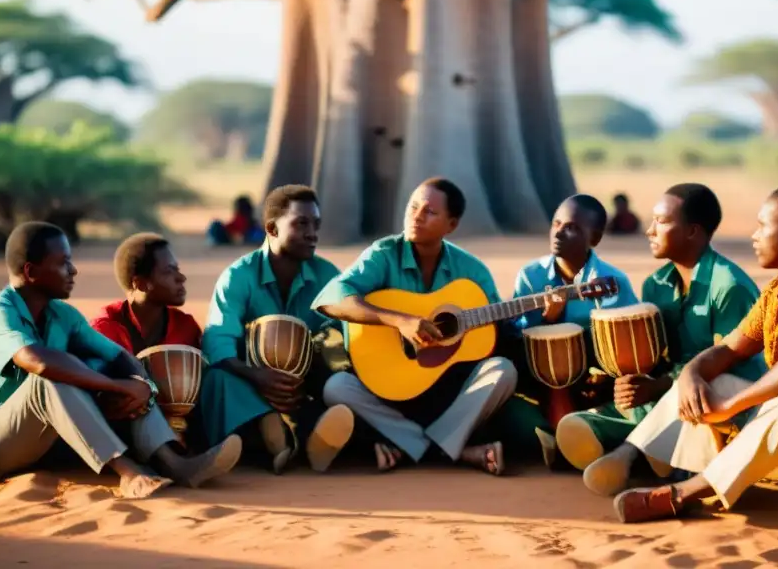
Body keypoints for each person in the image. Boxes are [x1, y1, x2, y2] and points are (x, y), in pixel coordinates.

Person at [599, 185, 778, 523]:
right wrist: (692, 374)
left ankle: (685, 493)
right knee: (715, 380)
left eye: (762, 226)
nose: (753, 236)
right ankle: (638, 454)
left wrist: (731, 406)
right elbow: (727, 348)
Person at [0, 222, 242, 500]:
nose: (73, 270)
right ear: (31, 271)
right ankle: (127, 472)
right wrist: (114, 386)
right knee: (50, 380)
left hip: (49, 439)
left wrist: (140, 385)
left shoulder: (63, 315)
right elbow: (37, 361)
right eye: (64, 262)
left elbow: (118, 356)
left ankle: (175, 463)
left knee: (125, 378)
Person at [559, 183, 767, 488]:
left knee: (691, 398)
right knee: (632, 403)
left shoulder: (728, 287)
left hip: (727, 395)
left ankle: (629, 453)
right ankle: (647, 449)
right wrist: (629, 382)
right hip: (672, 388)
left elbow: (726, 362)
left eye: (662, 221)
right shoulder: (656, 284)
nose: (650, 231)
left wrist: (660, 385)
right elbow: (659, 356)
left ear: (693, 232)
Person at [313, 178, 517, 475]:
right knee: (337, 387)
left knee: (503, 371)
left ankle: (411, 446)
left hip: (449, 392)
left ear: (452, 225)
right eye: (413, 206)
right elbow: (332, 300)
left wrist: (542, 311)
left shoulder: (472, 271)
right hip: (387, 389)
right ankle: (457, 451)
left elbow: (501, 325)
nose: (417, 216)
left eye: (430, 212)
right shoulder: (383, 254)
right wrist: (399, 320)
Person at [199, 185, 355, 474]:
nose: (312, 233)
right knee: (217, 378)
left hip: (302, 385)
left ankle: (304, 440)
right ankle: (275, 433)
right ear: (271, 228)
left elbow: (345, 336)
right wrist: (257, 376)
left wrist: (311, 374)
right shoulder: (238, 276)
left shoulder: (327, 275)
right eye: (301, 224)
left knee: (341, 379)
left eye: (316, 225)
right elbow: (218, 343)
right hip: (249, 382)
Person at [494, 194, 640, 465]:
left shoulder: (612, 281)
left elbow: (629, 342)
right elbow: (515, 335)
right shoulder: (531, 275)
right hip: (542, 380)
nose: (559, 233)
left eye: (571, 227)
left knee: (634, 400)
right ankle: (568, 439)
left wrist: (608, 376)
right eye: (556, 224)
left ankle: (576, 438)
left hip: (600, 380)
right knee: (516, 409)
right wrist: (550, 321)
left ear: (594, 238)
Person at [91, 233, 202, 355]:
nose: (181, 278)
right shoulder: (104, 331)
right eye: (168, 272)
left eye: (177, 269)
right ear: (140, 284)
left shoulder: (186, 327)